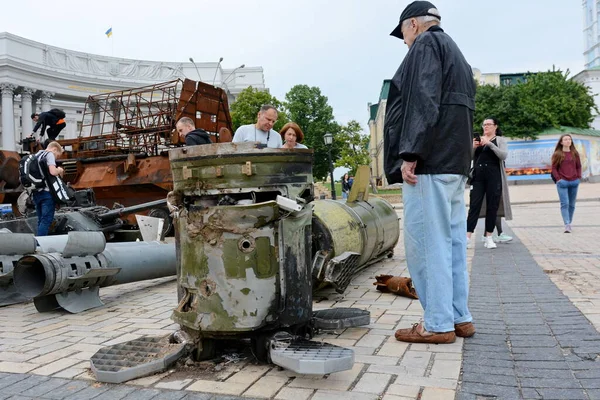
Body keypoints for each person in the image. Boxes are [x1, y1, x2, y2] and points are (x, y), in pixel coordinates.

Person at [384, 1, 475, 344]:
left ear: (413, 26)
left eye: (402, 35)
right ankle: (459, 317)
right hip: (454, 162)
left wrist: (411, 153)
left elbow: (422, 100)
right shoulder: (456, 52)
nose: (404, 41)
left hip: (430, 162)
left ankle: (437, 323)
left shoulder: (425, 45)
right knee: (451, 245)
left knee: (426, 245)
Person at [466, 118, 511, 249]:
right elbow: (469, 157)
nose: (485, 127)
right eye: (484, 125)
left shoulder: (500, 140)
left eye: (488, 124)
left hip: (494, 176)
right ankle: (467, 237)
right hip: (478, 176)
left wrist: (490, 144)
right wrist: (473, 147)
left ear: (495, 126)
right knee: (474, 205)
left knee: (493, 206)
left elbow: (503, 155)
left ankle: (489, 237)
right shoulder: (478, 140)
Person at [32, 141, 65, 236]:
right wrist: (59, 170)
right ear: (55, 149)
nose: (56, 158)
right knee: (46, 220)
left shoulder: (37, 154)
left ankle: (38, 242)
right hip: (46, 193)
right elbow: (53, 172)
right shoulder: (49, 154)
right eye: (57, 156)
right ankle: (40, 245)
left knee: (41, 220)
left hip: (36, 192)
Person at [551, 134, 582, 233]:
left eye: (569, 139)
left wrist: (578, 177)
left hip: (574, 181)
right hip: (562, 182)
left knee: (572, 205)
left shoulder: (574, 153)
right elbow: (554, 168)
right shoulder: (558, 154)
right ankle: (567, 224)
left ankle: (569, 222)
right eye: (566, 139)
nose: (568, 141)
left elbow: (579, 166)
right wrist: (558, 179)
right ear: (561, 142)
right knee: (565, 204)